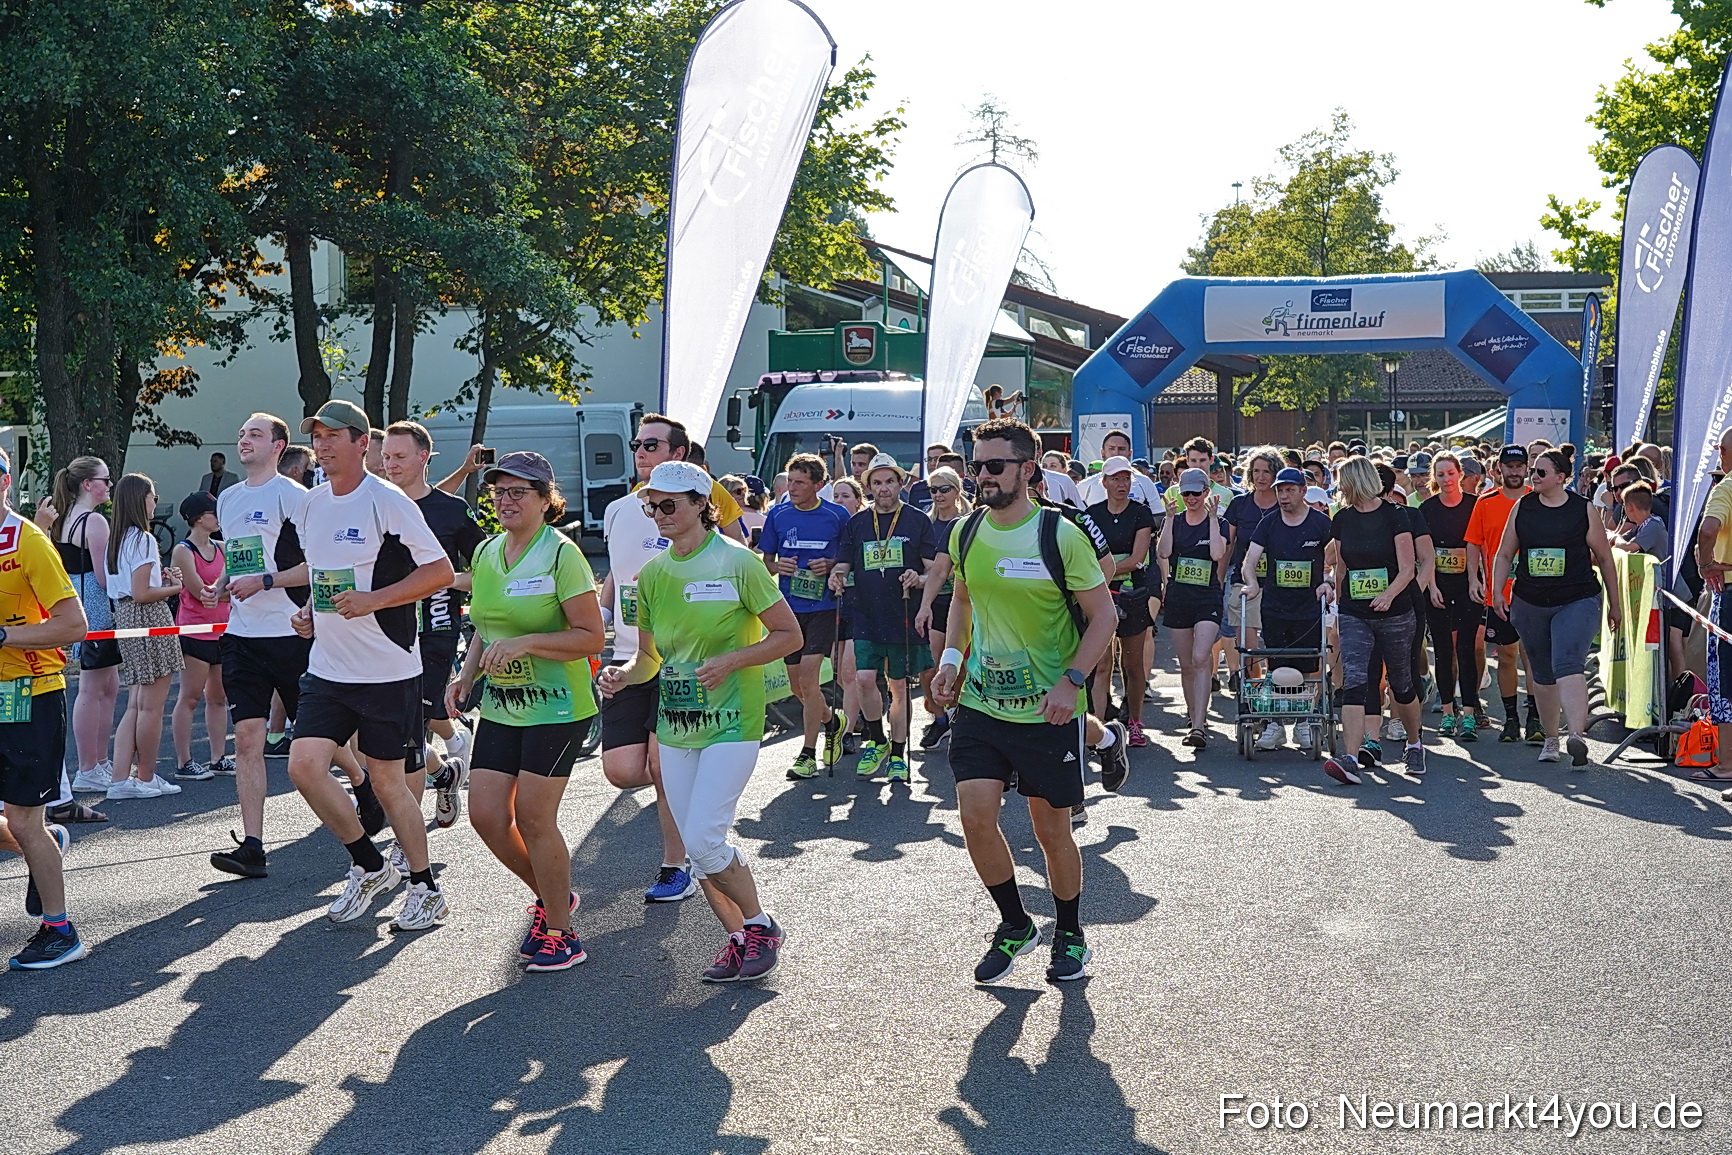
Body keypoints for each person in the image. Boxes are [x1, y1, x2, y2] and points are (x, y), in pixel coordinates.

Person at [932, 418, 1122, 983]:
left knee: (1050, 831)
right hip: (983, 704)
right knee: (974, 817)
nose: (981, 476)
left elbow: (1104, 615)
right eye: (976, 466)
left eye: (994, 466)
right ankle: (1016, 924)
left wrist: (1071, 682)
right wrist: (950, 661)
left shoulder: (1059, 535)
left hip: (1047, 712)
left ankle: (1070, 930)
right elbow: (962, 601)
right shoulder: (965, 532)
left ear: (1027, 470)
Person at [598, 460, 801, 982]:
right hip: (676, 724)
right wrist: (622, 675)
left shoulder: (738, 563)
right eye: (651, 506)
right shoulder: (654, 575)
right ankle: (739, 939)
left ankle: (759, 925)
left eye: (668, 505)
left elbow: (788, 636)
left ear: (699, 506)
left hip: (733, 720)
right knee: (693, 843)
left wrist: (733, 659)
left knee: (707, 838)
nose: (658, 515)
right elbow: (648, 659)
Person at [286, 400, 456, 930]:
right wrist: (310, 613)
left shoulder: (387, 500)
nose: (322, 444)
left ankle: (425, 888)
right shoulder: (312, 504)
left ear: (363, 443)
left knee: (388, 783)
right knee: (303, 767)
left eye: (333, 435)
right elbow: (323, 571)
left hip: (388, 670)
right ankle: (369, 863)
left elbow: (441, 572)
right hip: (328, 669)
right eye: (316, 436)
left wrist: (375, 600)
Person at [448, 452, 603, 971]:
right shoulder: (489, 552)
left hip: (558, 708)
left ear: (545, 500)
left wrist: (530, 643)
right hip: (502, 704)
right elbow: (487, 630)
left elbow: (590, 638)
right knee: (486, 816)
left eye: (519, 492)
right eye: (499, 492)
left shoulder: (562, 556)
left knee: (536, 818)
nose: (506, 501)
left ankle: (562, 931)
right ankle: (556, 896)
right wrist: (466, 675)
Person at [210, 413, 369, 880]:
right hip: (242, 638)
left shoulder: (297, 498)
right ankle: (254, 847)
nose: (244, 440)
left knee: (323, 736)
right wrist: (221, 582)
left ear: (279, 446)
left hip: (292, 635)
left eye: (255, 434)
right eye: (241, 433)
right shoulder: (229, 498)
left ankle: (362, 783)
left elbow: (317, 565)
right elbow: (240, 555)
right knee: (247, 738)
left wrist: (266, 582)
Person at [595, 422, 703, 904]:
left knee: (663, 765)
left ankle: (676, 865)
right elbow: (618, 573)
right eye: (637, 444)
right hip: (628, 654)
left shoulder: (700, 504)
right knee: (622, 770)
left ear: (677, 453)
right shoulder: (619, 510)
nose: (640, 451)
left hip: (680, 659)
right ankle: (693, 785)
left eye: (651, 444)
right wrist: (599, 615)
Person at [0, 447, 92, 968]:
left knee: (23, 816)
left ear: (6, 482)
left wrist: (3, 635)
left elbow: (74, 626)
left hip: (28, 694)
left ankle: (60, 930)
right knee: (24, 822)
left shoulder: (29, 542)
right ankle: (43, 841)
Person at [380, 420, 487, 830]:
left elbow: (487, 572)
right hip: (382, 633)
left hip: (435, 633)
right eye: (386, 457)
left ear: (423, 458)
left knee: (412, 731)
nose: (390, 464)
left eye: (400, 457)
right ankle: (444, 773)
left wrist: (443, 580)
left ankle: (406, 841)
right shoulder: (373, 505)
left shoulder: (450, 510)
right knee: (391, 729)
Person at [1491, 446, 1620, 767]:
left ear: (1561, 478)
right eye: (1533, 470)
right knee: (1543, 672)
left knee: (1568, 662)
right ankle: (1551, 739)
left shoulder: (1583, 509)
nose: (1533, 476)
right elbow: (1505, 554)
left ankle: (1575, 735)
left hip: (1577, 597)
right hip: (1530, 600)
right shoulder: (1523, 507)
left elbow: (1604, 558)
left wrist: (1615, 604)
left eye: (1541, 472)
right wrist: (1496, 591)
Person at [829, 453, 937, 783]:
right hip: (865, 611)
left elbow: (933, 570)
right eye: (877, 482)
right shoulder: (858, 523)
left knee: (899, 687)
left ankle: (898, 753)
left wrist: (917, 579)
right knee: (863, 679)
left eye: (890, 481)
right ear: (869, 487)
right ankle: (877, 739)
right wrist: (835, 575)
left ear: (900, 484)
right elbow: (843, 562)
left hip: (902, 613)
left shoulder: (918, 520)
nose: (884, 488)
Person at [1323, 456, 1424, 784]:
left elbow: (1408, 567)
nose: (1339, 488)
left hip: (1395, 612)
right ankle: (1350, 757)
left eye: (1342, 481)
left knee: (1401, 682)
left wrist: (1389, 595)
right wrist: (1336, 606)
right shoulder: (1342, 519)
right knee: (1355, 679)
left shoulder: (1396, 516)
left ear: (1357, 482)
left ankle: (1414, 742)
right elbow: (1341, 566)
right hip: (1355, 611)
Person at [758, 453, 849, 781]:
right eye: (790, 480)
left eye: (799, 483)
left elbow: (848, 557)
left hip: (823, 607)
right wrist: (776, 566)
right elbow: (765, 559)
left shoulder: (837, 515)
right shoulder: (778, 514)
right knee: (798, 686)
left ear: (818, 486)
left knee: (809, 680)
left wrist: (832, 565)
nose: (791, 488)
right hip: (790, 609)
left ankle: (808, 755)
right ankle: (831, 721)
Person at [104, 474, 186, 800]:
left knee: (137, 704)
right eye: (152, 496)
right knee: (152, 706)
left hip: (126, 616)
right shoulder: (143, 538)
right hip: (146, 616)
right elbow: (142, 593)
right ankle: (146, 776)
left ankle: (121, 778)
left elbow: (132, 589)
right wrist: (174, 588)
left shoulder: (119, 537)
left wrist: (162, 580)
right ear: (142, 500)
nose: (155, 502)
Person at [1242, 467, 1333, 751]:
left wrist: (1328, 583)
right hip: (1276, 607)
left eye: (1290, 490)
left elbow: (1336, 560)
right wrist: (1252, 583)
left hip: (1309, 608)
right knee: (1277, 667)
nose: (1283, 496)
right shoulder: (1269, 523)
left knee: (1309, 666)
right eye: (1280, 490)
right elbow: (1249, 560)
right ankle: (1276, 724)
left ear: (1303, 491)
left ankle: (1305, 722)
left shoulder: (1320, 523)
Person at [55, 458, 123, 809]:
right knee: (93, 686)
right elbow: (103, 575)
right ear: (86, 484)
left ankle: (98, 761)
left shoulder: (65, 518)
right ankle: (88, 766)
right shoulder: (93, 521)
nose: (109, 485)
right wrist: (127, 593)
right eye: (105, 480)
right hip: (94, 606)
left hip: (82, 601)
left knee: (107, 686)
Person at [1467, 445, 1537, 744]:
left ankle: (1536, 717)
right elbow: (1472, 542)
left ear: (1527, 468)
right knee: (1507, 655)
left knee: (1533, 655)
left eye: (1519, 465)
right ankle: (1511, 719)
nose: (1514, 471)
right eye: (1509, 466)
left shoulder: (1538, 498)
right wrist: (1474, 578)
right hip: (1499, 593)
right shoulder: (1486, 503)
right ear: (1498, 469)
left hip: (1535, 591)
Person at [1085, 457, 1155, 746]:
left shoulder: (1141, 513)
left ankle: (1135, 723)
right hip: (1100, 594)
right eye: (1115, 479)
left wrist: (1106, 567)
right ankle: (1098, 730)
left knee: (1133, 664)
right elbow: (1086, 558)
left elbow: (1138, 559)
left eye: (1126, 478)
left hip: (1134, 594)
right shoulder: (1091, 515)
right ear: (1104, 483)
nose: (1121, 484)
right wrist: (1112, 567)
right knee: (1101, 665)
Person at [1158, 468, 1228, 748]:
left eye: (1196, 492)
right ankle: (1193, 717)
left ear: (1206, 492)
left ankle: (1199, 725)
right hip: (1179, 596)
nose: (1190, 498)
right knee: (1187, 664)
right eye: (1185, 492)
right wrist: (1169, 517)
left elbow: (1217, 554)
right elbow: (1163, 552)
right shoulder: (1174, 521)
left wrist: (1211, 518)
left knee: (1201, 657)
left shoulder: (1218, 522)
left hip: (1207, 596)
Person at [169, 492, 231, 781]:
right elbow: (198, 591)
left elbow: (233, 586)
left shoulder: (222, 546)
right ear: (198, 518)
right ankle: (184, 761)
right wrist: (222, 594)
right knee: (190, 697)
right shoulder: (184, 550)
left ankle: (219, 757)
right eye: (213, 512)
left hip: (222, 629)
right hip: (195, 631)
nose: (218, 517)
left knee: (218, 697)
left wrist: (220, 594)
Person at [1421, 452, 1482, 742]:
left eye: (1450, 473)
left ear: (1461, 474)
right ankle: (1447, 712)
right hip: (1439, 583)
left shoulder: (1474, 505)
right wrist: (1431, 587)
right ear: (1436, 478)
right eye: (1441, 475)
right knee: (1443, 650)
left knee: (1466, 649)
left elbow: (1478, 546)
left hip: (1468, 583)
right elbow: (1425, 553)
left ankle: (1469, 714)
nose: (1446, 479)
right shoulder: (1427, 508)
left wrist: (1475, 581)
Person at [914, 465, 972, 749]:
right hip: (935, 601)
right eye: (932, 490)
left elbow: (941, 570)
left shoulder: (969, 522)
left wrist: (935, 573)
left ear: (956, 490)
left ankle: (957, 715)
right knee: (929, 668)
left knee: (959, 668)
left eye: (943, 489)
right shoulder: (926, 524)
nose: (937, 495)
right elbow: (933, 570)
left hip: (964, 602)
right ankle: (940, 718)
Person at [1224, 448, 1281, 690]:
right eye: (1256, 471)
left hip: (1279, 583)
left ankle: (1276, 689)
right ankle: (1255, 694)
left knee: (1275, 644)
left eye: (1266, 472)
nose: (1261, 477)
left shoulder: (1285, 502)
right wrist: (1219, 579)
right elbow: (1228, 545)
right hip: (1244, 582)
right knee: (1248, 646)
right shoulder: (1240, 504)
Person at [1078, 430, 1160, 507]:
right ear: (1102, 453)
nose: (1116, 453)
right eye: (1111, 448)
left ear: (1130, 453)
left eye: (1121, 449)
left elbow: (1158, 516)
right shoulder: (1086, 485)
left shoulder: (1144, 482)